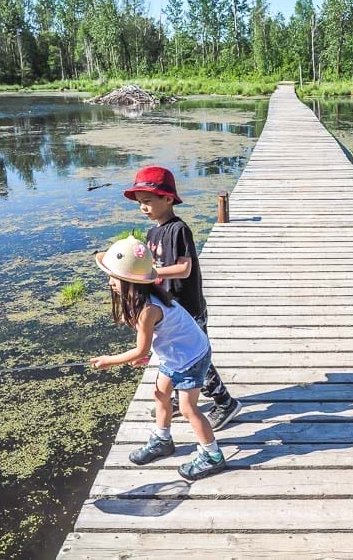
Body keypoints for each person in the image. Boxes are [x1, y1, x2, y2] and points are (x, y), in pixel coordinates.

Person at [90, 235, 226, 480]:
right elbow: (157, 337)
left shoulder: (148, 309)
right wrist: (144, 353)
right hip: (176, 354)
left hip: (192, 357)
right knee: (160, 394)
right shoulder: (141, 299)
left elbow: (141, 350)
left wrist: (110, 360)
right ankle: (163, 440)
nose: (110, 282)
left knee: (187, 408)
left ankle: (212, 455)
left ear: (132, 281)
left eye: (114, 278)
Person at [123, 166, 242, 430]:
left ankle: (225, 402)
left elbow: (183, 268)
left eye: (148, 201)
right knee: (176, 357)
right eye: (140, 203)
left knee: (197, 357)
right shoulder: (153, 233)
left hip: (189, 307)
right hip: (171, 309)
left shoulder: (179, 229)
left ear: (168, 199)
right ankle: (179, 397)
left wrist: (150, 273)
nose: (143, 207)